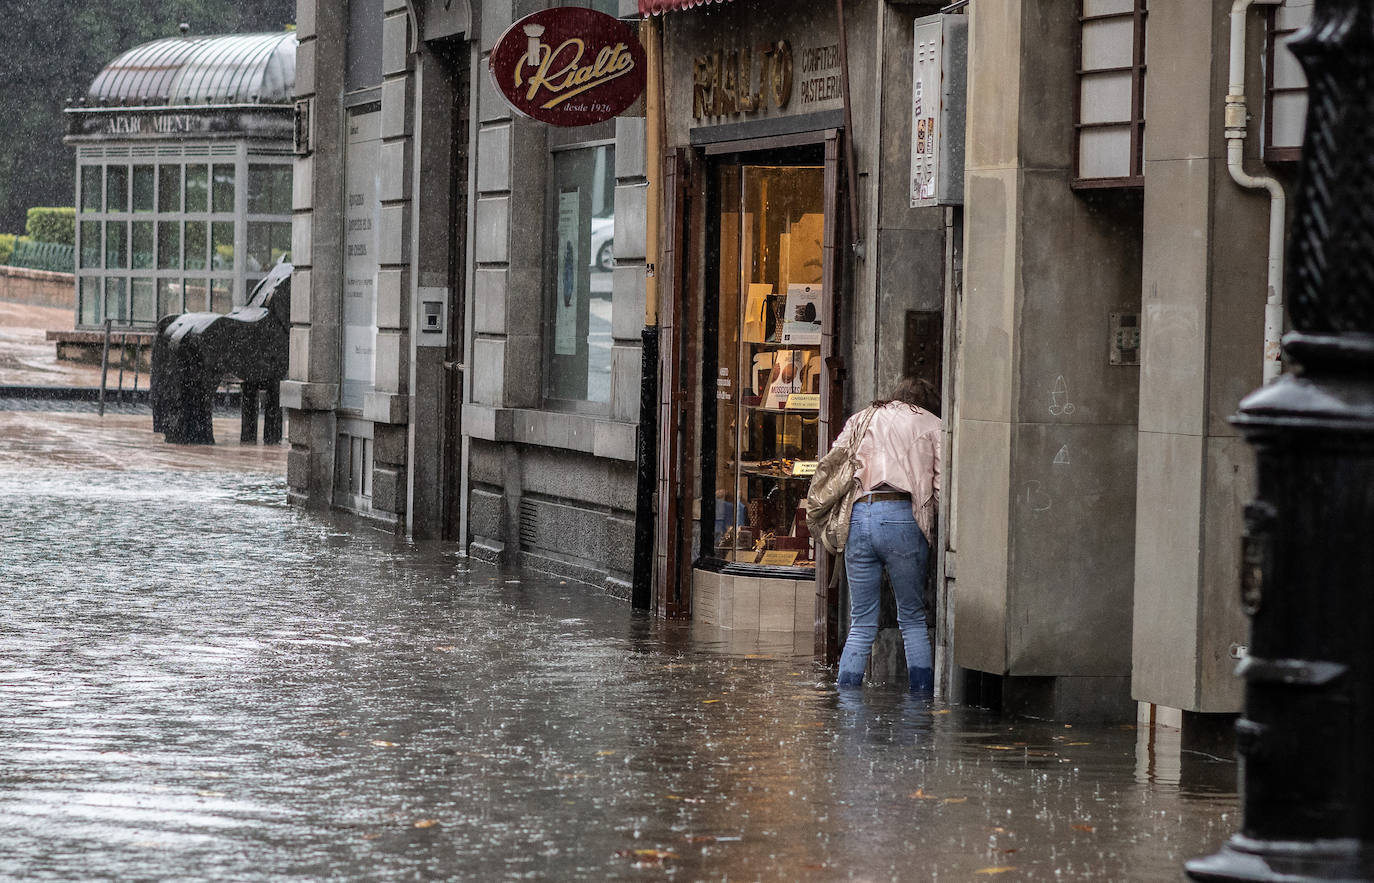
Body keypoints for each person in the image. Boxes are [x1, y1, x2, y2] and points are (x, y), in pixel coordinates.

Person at [830, 376, 942, 692]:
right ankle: (920, 703)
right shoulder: (932, 424)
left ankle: (845, 700)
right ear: (927, 402)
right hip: (902, 516)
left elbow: (836, 463)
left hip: (859, 515)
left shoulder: (861, 418)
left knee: (861, 622)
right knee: (912, 619)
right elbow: (942, 486)